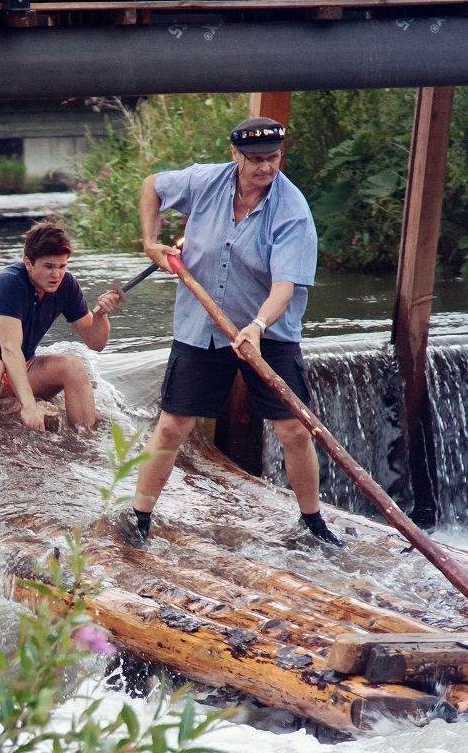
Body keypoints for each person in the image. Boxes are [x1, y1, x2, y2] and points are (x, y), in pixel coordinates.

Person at [129, 116, 340, 547]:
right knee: (172, 426)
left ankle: (312, 522)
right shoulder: (206, 181)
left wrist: (257, 327)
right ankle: (139, 518)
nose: (265, 168)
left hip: (269, 330)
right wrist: (151, 239)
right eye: (256, 159)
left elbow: (284, 288)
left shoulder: (292, 210)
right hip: (201, 324)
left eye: (274, 158)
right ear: (235, 155)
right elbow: (152, 185)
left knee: (294, 430)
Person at [0, 221, 124, 431]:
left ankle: (87, 442)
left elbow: (96, 343)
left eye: (62, 266)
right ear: (28, 263)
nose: (57, 275)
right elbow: (10, 349)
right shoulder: (9, 283)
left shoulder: (66, 285)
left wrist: (101, 315)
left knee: (74, 367)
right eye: (49, 267)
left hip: (21, 367)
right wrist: (29, 405)